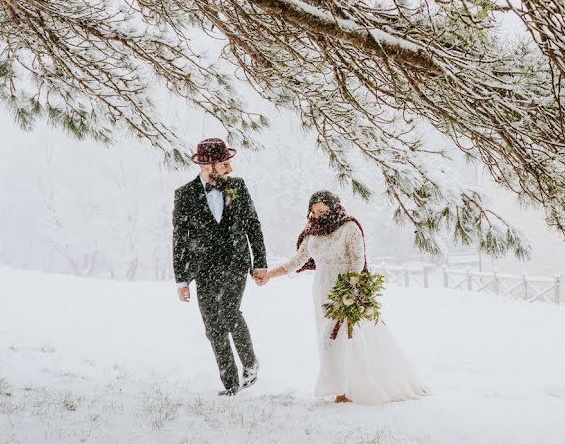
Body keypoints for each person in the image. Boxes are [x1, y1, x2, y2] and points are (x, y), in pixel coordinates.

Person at [256, 190, 427, 404]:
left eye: (322, 210)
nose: (318, 214)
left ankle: (346, 390)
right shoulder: (312, 232)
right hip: (322, 289)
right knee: (326, 338)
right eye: (314, 211)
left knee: (343, 337)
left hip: (345, 287)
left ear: (333, 207)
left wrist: (351, 288)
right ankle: (340, 387)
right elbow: (297, 260)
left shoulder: (349, 227)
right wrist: (270, 274)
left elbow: (357, 259)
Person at [173, 138, 267, 396]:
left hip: (236, 263)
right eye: (225, 164)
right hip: (204, 269)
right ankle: (231, 385)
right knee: (212, 326)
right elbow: (180, 238)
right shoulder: (184, 195)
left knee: (228, 310)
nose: (230, 169)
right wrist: (182, 279)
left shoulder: (237, 187)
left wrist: (259, 264)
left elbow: (253, 226)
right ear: (207, 165)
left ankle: (249, 363)